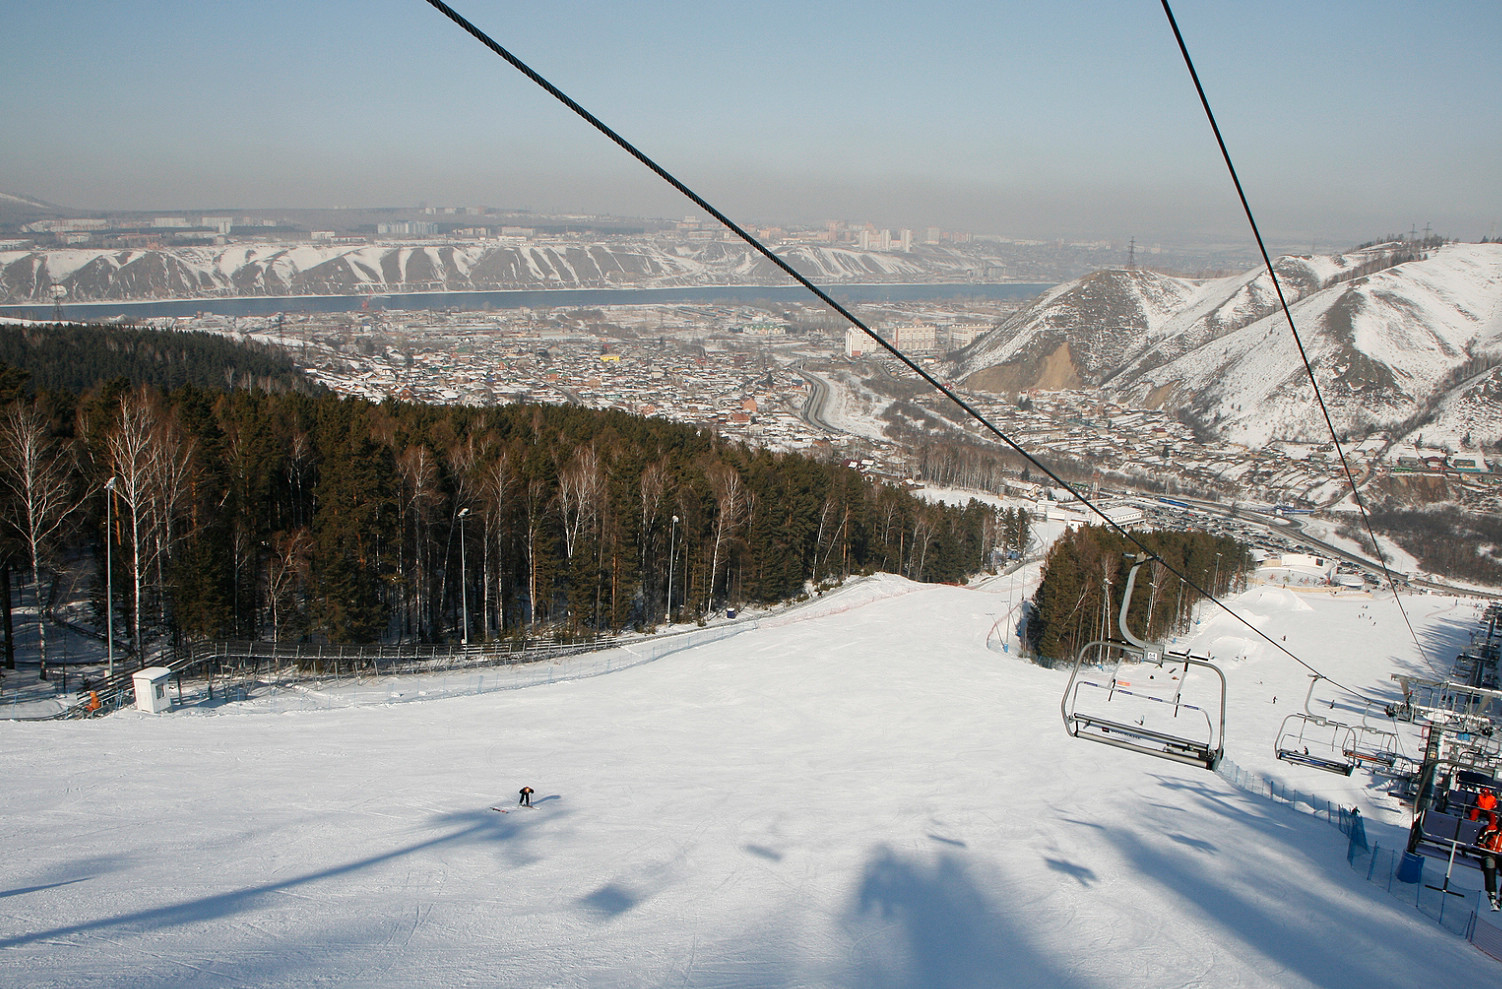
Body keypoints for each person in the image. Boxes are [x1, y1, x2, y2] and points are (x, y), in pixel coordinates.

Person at [1479, 821, 1502, 911]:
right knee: (1490, 866)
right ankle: (1492, 895)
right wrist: (1483, 846)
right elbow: (1481, 840)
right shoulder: (1492, 828)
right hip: (1490, 853)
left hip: (1501, 855)